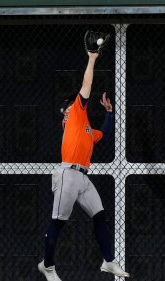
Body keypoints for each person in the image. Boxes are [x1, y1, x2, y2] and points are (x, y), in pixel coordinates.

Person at [38, 51, 130, 281]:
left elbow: (105, 134)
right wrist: (92, 59)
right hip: (68, 174)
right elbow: (87, 84)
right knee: (57, 223)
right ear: (66, 114)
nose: (74, 104)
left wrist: (109, 113)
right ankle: (47, 265)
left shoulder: (86, 130)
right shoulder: (75, 116)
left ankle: (108, 261)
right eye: (70, 106)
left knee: (100, 216)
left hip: (82, 177)